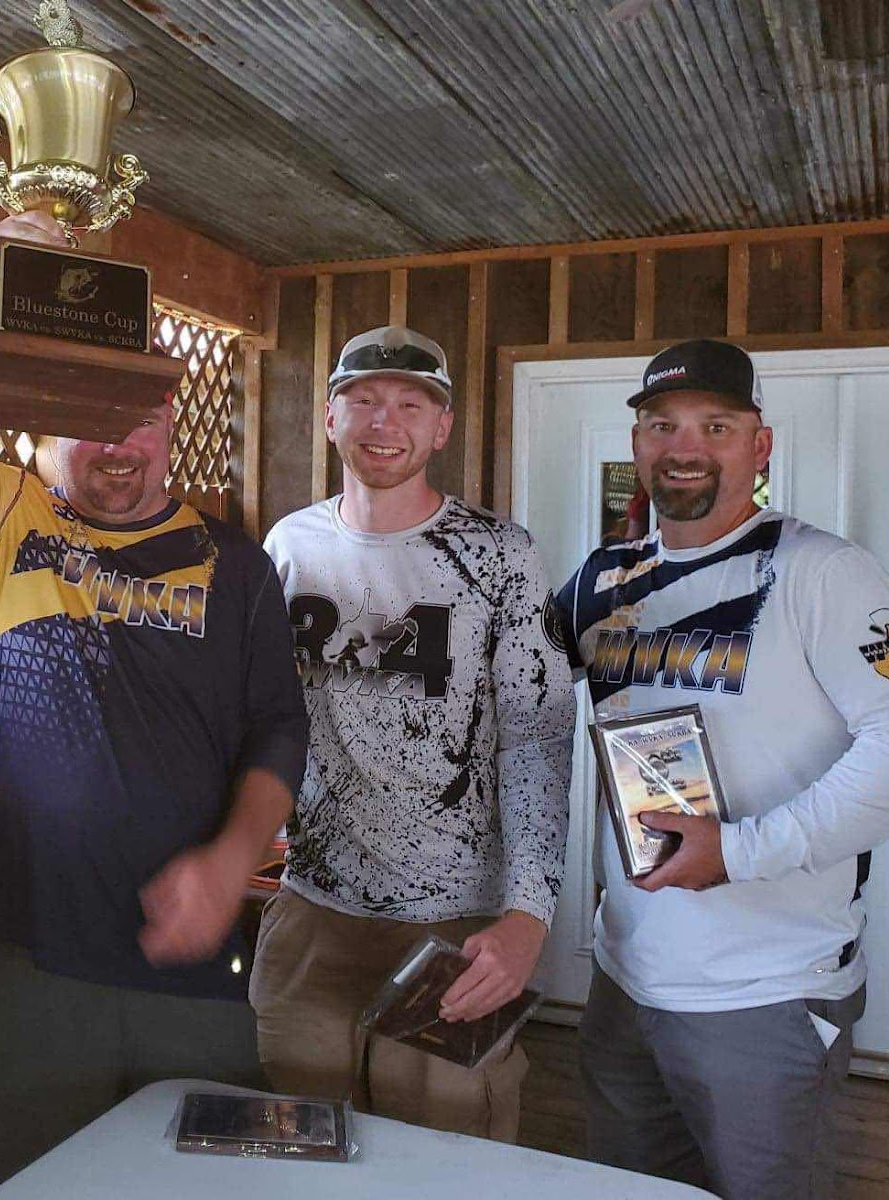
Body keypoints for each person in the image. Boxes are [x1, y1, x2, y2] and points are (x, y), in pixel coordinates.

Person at [0, 211, 309, 1188]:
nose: (119, 443)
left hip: (190, 962)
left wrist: (229, 864)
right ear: (42, 421)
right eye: (90, 416)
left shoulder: (235, 565)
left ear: (173, 421)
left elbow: (278, 729)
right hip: (29, 960)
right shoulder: (6, 522)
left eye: (142, 417)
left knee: (208, 1188)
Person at [553, 338, 889, 1199]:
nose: (685, 447)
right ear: (637, 445)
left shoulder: (825, 571)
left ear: (760, 445)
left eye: (716, 425)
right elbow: (509, 690)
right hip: (625, 975)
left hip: (764, 991)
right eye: (662, 425)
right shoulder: (603, 578)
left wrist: (740, 851)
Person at [250, 325, 575, 1139]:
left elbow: (537, 738)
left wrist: (528, 914)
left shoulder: (499, 555)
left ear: (442, 427)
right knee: (305, 1136)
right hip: (313, 907)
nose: (383, 422)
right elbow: (264, 715)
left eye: (409, 404)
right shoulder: (289, 546)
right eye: (362, 400)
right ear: (330, 418)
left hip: (457, 922)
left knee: (444, 1144)